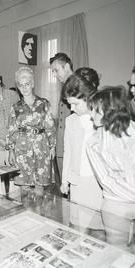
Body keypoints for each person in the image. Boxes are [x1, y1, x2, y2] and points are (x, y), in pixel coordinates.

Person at [86, 86, 135, 249]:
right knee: (118, 253)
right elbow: (108, 181)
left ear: (111, 111)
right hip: (116, 206)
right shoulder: (93, 143)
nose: (91, 115)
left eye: (96, 111)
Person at [61, 67, 103, 232]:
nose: (71, 108)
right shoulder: (71, 121)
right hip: (78, 183)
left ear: (89, 97)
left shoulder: (103, 119)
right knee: (79, 228)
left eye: (75, 104)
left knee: (98, 230)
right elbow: (68, 152)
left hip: (97, 184)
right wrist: (65, 180)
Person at [8, 66, 56, 198]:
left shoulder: (44, 103)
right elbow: (12, 130)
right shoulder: (15, 107)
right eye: (21, 85)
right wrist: (11, 151)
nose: (24, 88)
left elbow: (50, 126)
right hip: (21, 149)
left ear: (32, 84)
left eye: (27, 84)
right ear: (18, 86)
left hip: (41, 147)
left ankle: (38, 215)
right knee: (24, 187)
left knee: (39, 186)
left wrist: (52, 146)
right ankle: (26, 214)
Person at [49, 53, 73, 177]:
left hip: (71, 148)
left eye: (56, 70)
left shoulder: (78, 87)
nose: (54, 74)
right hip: (62, 145)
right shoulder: (65, 86)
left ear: (67, 66)